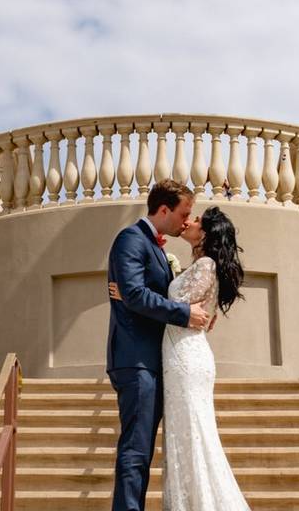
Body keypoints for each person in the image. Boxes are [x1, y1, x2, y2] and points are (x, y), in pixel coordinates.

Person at [109, 204, 250, 511]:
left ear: (207, 234)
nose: (191, 221)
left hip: (186, 358)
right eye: (189, 214)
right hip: (174, 355)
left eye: (197, 220)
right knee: (183, 435)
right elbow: (181, 306)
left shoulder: (206, 265)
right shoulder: (196, 265)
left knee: (194, 434)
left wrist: (131, 295)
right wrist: (140, 295)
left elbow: (180, 306)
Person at [106, 179, 213, 511]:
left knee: (144, 450)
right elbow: (136, 294)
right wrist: (182, 312)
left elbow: (136, 294)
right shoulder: (130, 240)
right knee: (136, 451)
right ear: (163, 209)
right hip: (137, 360)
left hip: (158, 361)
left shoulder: (157, 249)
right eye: (184, 213)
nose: (187, 221)